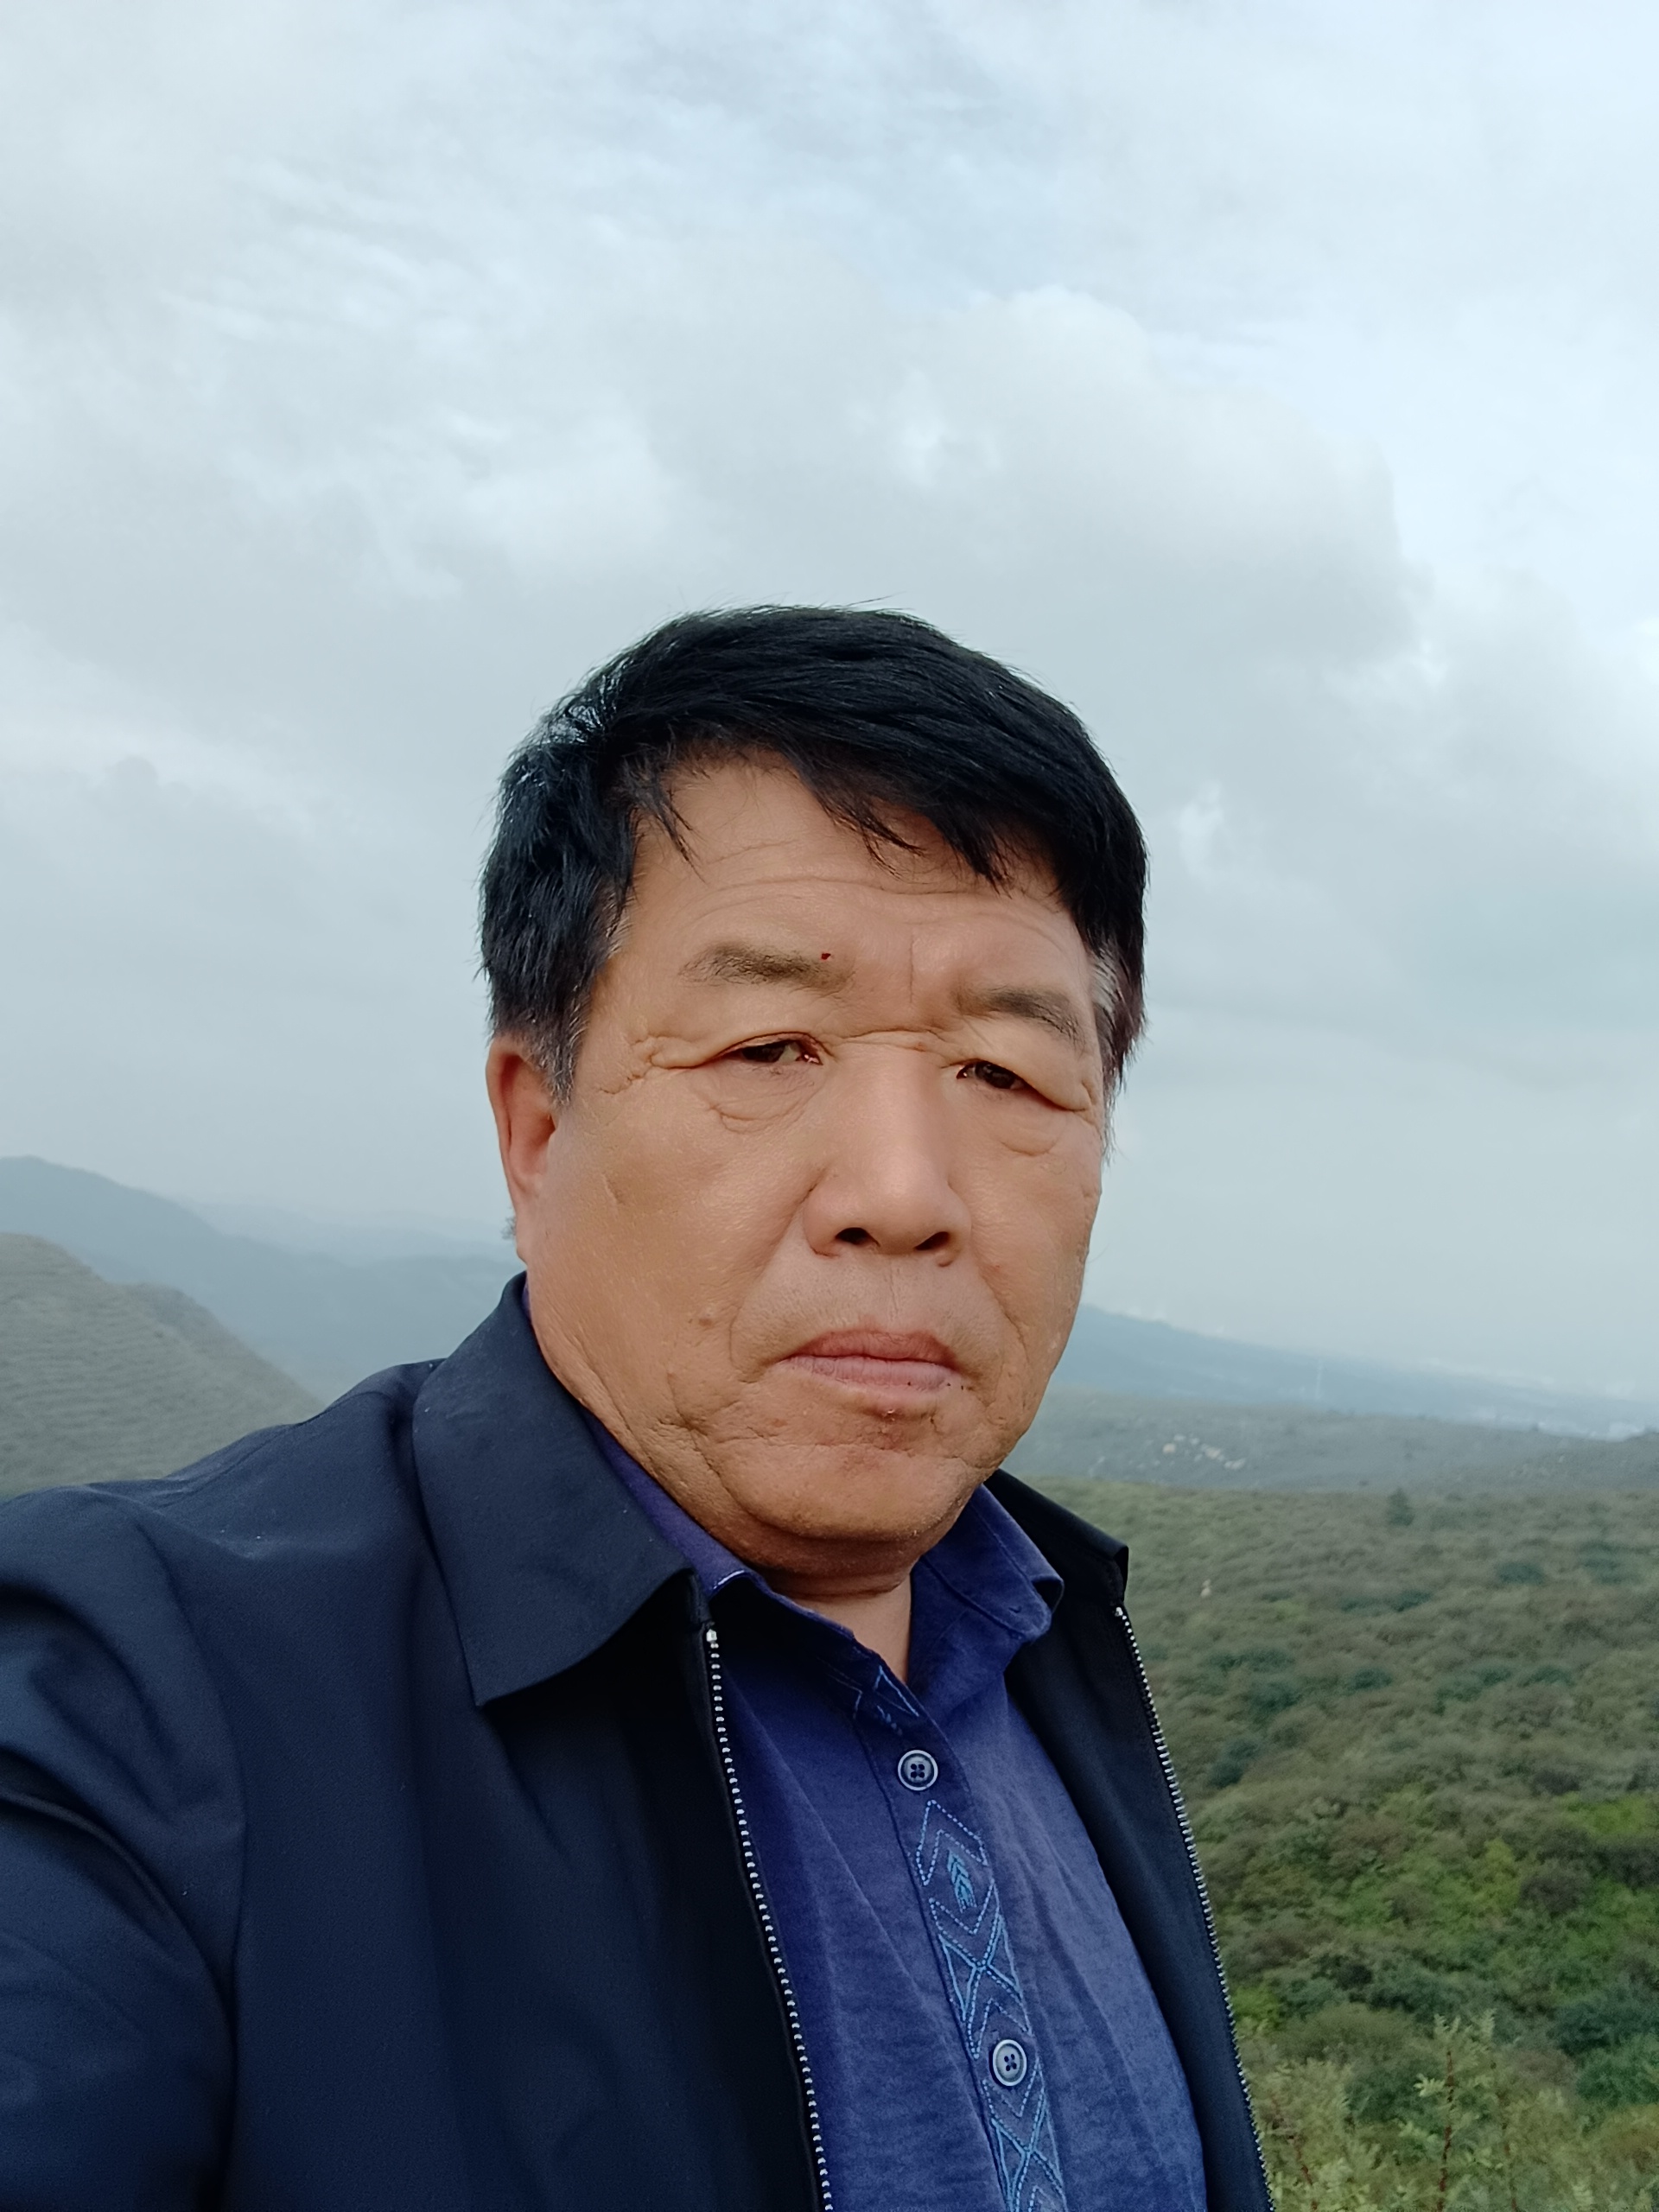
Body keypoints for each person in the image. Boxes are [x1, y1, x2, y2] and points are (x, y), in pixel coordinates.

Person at [0, 607, 1268, 2210]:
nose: (903, 1193)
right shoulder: (131, 1701)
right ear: (537, 1131)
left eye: (1006, 1074)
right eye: (769, 1047)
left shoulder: (1057, 1635)